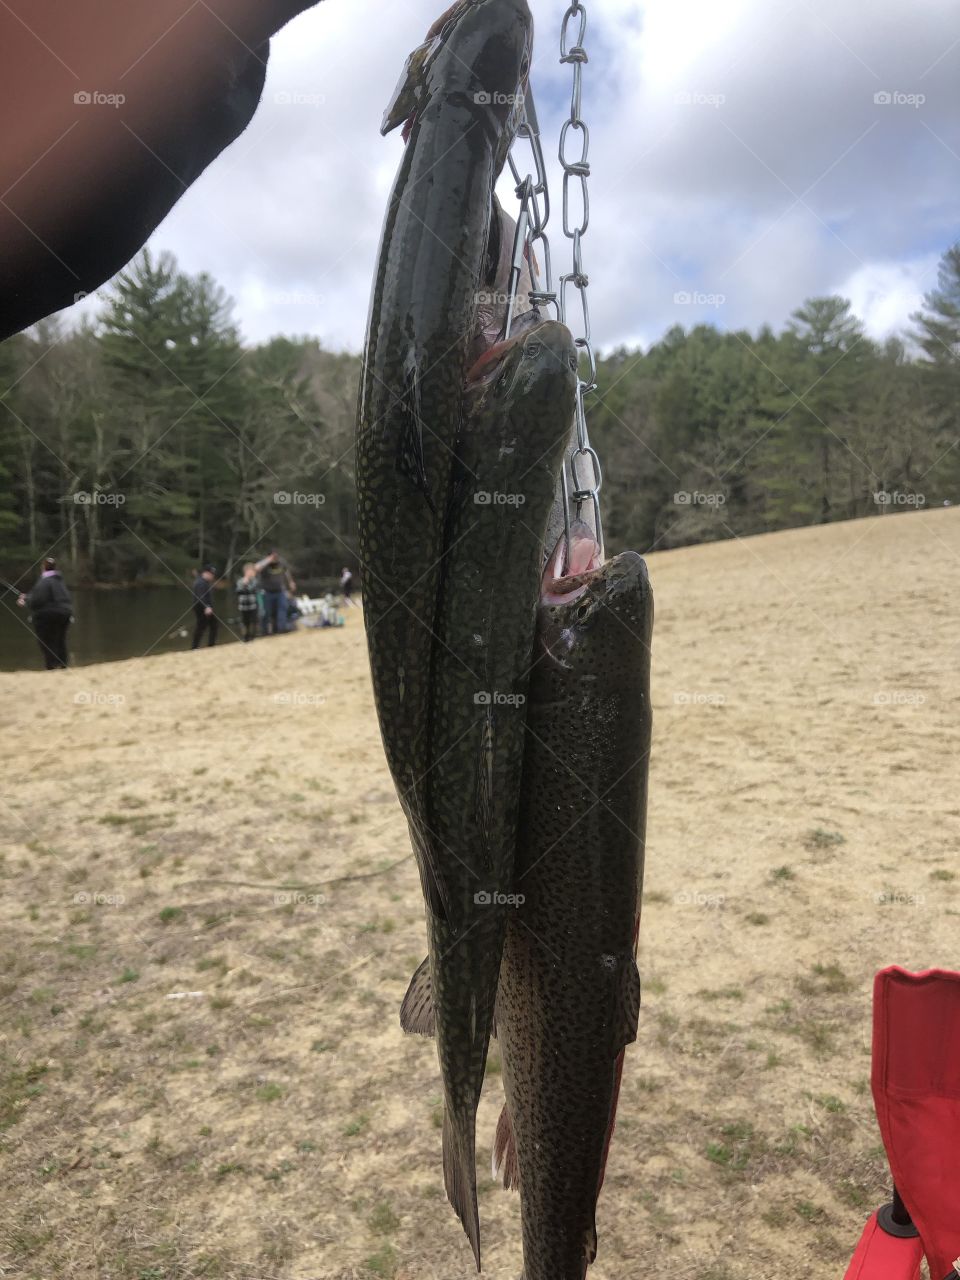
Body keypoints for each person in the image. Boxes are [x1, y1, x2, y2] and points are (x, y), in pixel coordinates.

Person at [17, 557, 73, 669]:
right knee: (60, 640)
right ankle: (62, 664)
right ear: (55, 568)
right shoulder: (59, 581)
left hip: (47, 615)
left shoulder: (44, 581)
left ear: (43, 568)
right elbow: (48, 597)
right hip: (65, 613)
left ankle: (51, 665)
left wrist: (25, 601)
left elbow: (37, 600)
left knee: (46, 641)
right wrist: (28, 597)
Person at [256, 550, 295, 635]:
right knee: (266, 612)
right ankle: (265, 632)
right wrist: (268, 560)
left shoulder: (281, 562)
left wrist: (291, 582)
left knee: (282, 609)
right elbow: (256, 568)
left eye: (276, 556)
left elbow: (286, 571)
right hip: (267, 592)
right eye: (273, 557)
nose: (275, 558)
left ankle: (281, 629)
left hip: (280, 591)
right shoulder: (264, 565)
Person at [191, 564, 218, 649]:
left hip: (206, 608)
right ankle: (195, 647)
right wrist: (206, 607)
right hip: (201, 608)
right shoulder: (200, 583)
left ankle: (210, 645)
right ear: (206, 573)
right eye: (211, 574)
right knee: (201, 627)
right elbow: (200, 596)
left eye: (213, 574)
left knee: (212, 625)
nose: (212, 576)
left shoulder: (205, 582)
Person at [235, 562, 259, 642]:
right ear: (245, 571)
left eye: (252, 571)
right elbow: (238, 591)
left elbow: (252, 590)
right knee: (245, 622)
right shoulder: (240, 581)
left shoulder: (254, 581)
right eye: (250, 571)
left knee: (254, 621)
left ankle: (253, 636)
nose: (252, 573)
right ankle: (245, 636)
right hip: (243, 606)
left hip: (253, 605)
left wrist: (246, 585)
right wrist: (244, 584)